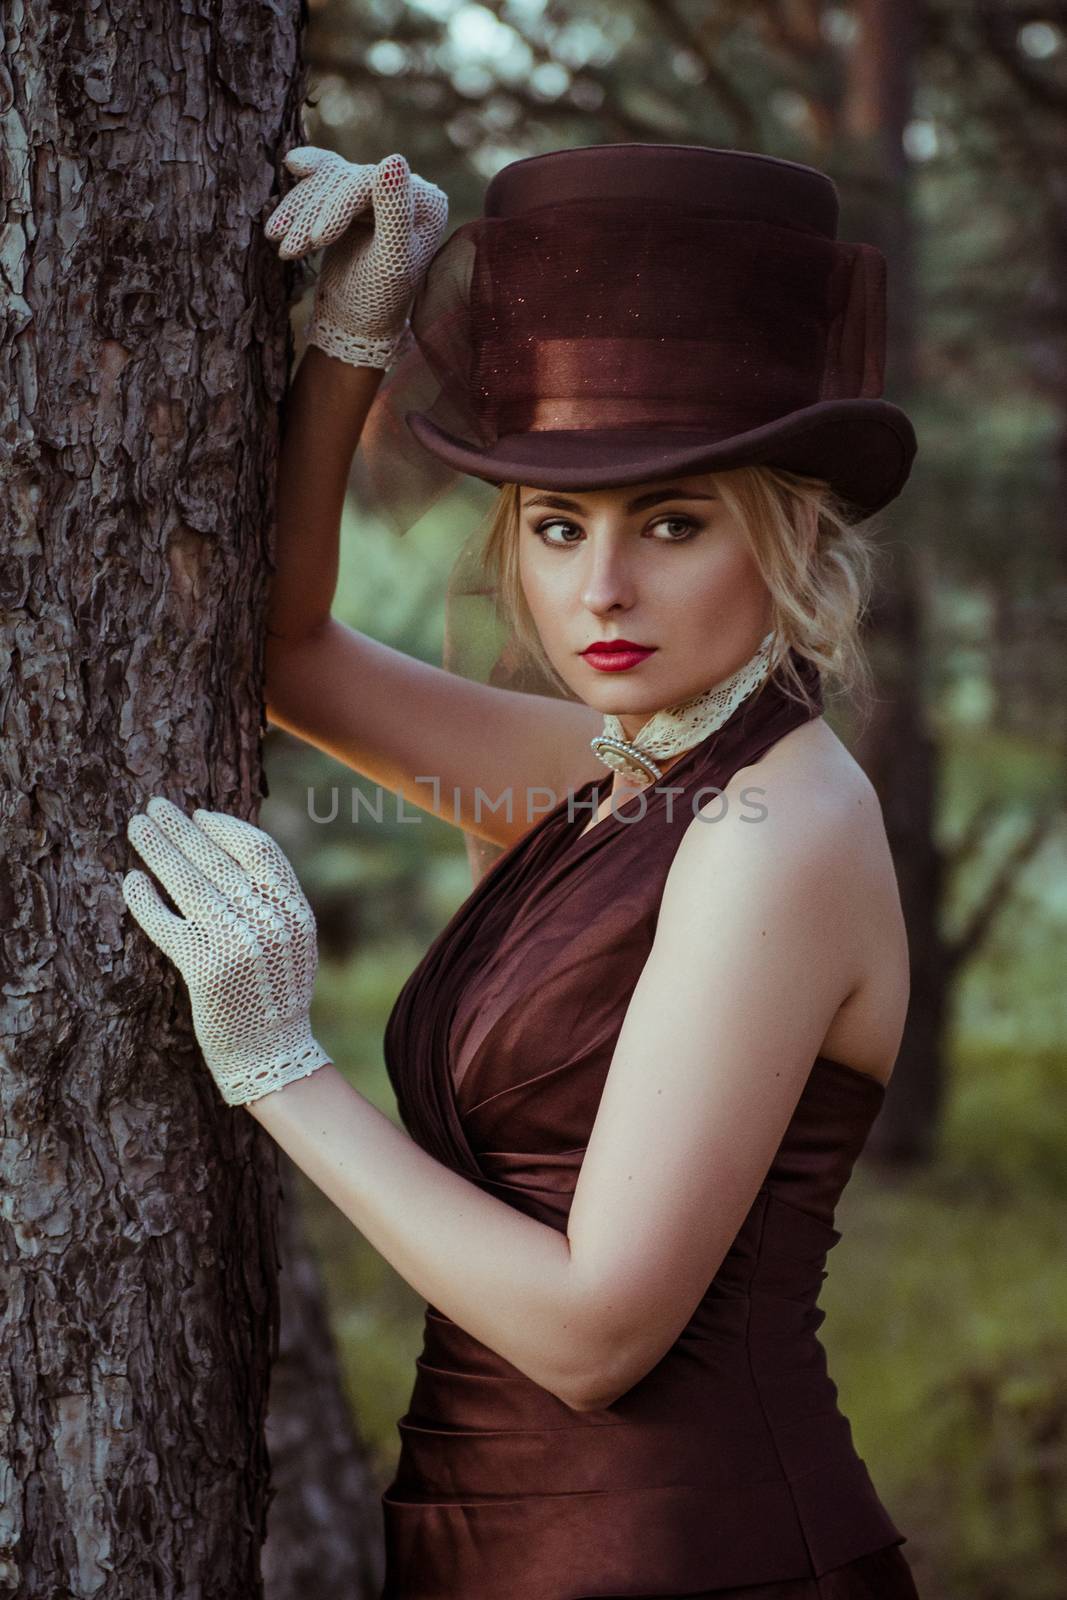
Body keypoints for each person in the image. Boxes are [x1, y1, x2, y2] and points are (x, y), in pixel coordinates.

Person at [121, 142, 922, 1598]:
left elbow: (591, 1334)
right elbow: (286, 654)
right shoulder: (622, 769)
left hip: (694, 1563)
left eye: (672, 523)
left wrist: (274, 1061)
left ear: (788, 526)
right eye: (559, 528)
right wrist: (358, 334)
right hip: (493, 1552)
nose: (599, 589)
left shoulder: (779, 832)